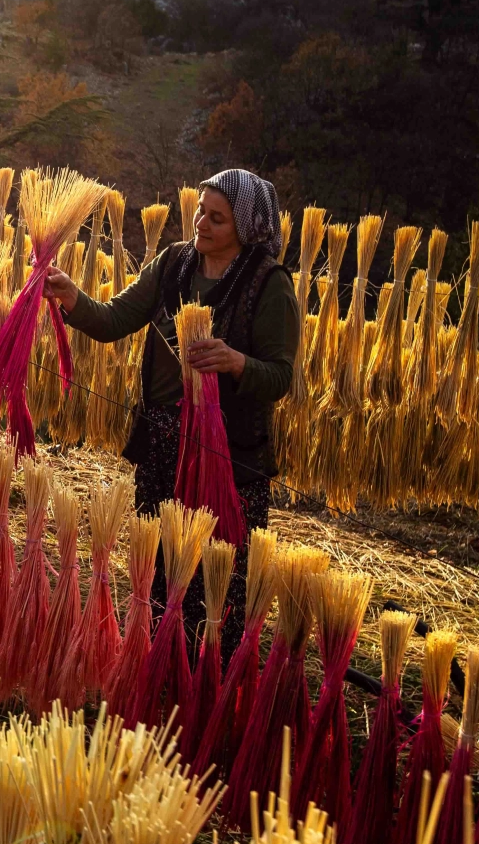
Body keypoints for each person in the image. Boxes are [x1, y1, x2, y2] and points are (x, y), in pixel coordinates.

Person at [42, 168, 301, 654]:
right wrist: (73, 299)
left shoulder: (268, 286)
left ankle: (213, 676)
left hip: (229, 455)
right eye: (201, 210)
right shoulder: (174, 264)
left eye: (217, 219)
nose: (200, 222)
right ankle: (160, 665)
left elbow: (281, 376)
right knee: (162, 568)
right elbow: (114, 318)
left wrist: (237, 362)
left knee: (221, 579)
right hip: (163, 445)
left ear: (245, 229)